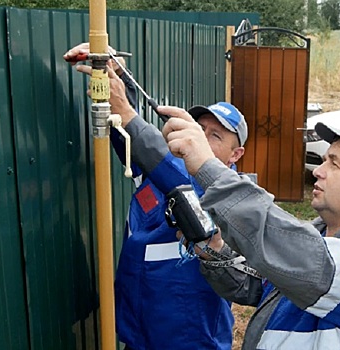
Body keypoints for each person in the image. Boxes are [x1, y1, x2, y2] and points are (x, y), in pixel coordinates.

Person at [159, 109, 340, 349]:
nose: (317, 171)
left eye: (334, 163)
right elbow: (258, 286)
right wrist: (213, 250)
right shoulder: (323, 236)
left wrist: (209, 168)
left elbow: (302, 257)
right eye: (323, 160)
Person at [63, 44, 248, 350]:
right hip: (137, 330)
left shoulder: (229, 194)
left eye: (215, 136)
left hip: (189, 340)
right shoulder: (160, 169)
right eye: (198, 128)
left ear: (235, 154)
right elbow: (134, 144)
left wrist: (127, 110)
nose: (200, 138)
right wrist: (116, 76)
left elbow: (174, 176)